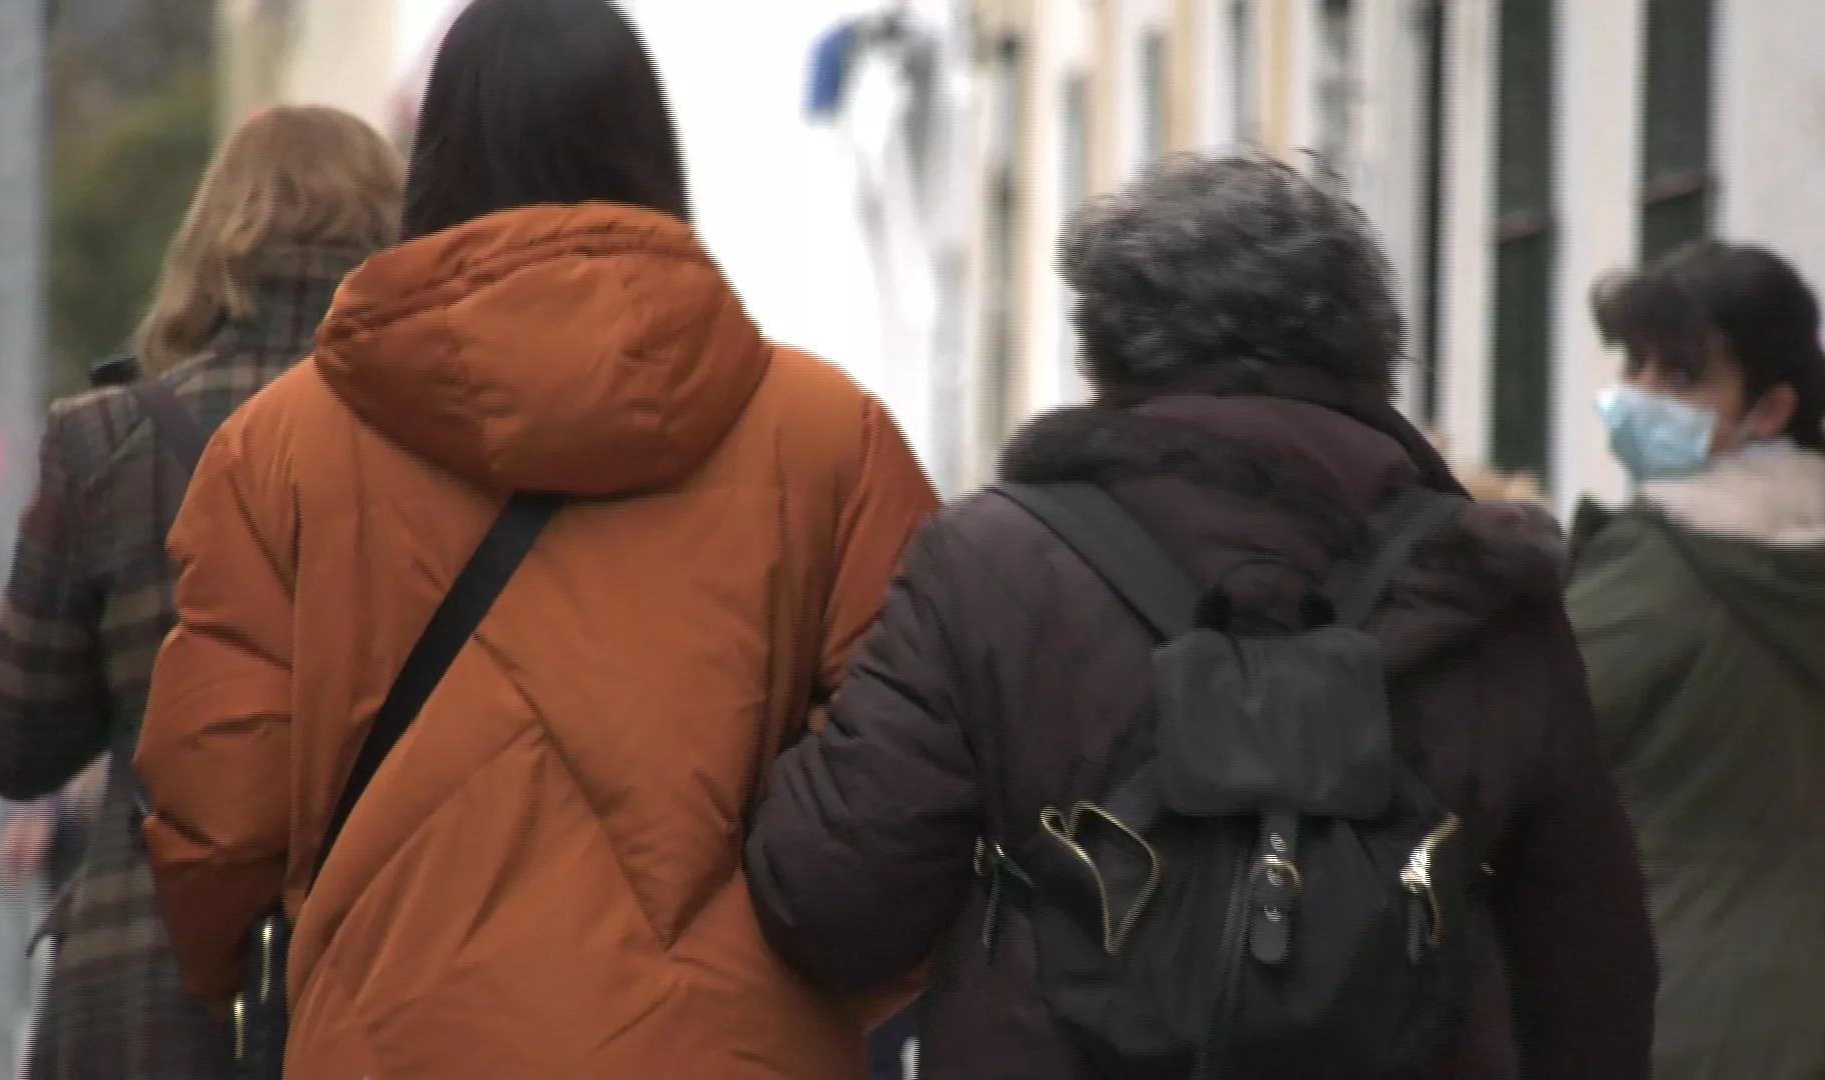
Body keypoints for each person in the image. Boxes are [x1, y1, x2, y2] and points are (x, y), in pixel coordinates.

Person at [134, 1, 938, 1076]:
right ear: (650, 149)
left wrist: (256, 979)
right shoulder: (831, 441)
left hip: (393, 1041)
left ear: (435, 163)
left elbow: (216, 813)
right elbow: (914, 790)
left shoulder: (277, 455)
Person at [744, 151, 1658, 1079]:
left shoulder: (990, 564)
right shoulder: (1485, 584)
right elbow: (1593, 964)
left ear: (1106, 345)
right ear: (1367, 349)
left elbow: (835, 905)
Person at [0, 104, 403, 1079]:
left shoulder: (106, 444)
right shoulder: (438, 443)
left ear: (209, 244)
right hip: (376, 978)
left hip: (141, 985)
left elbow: (12, 741)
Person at [1568, 240, 1825, 1080]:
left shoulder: (1661, 570)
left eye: (1680, 379)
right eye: (1636, 363)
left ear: (1771, 408)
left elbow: (1526, 733)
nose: (1637, 395)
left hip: (1673, 1012)